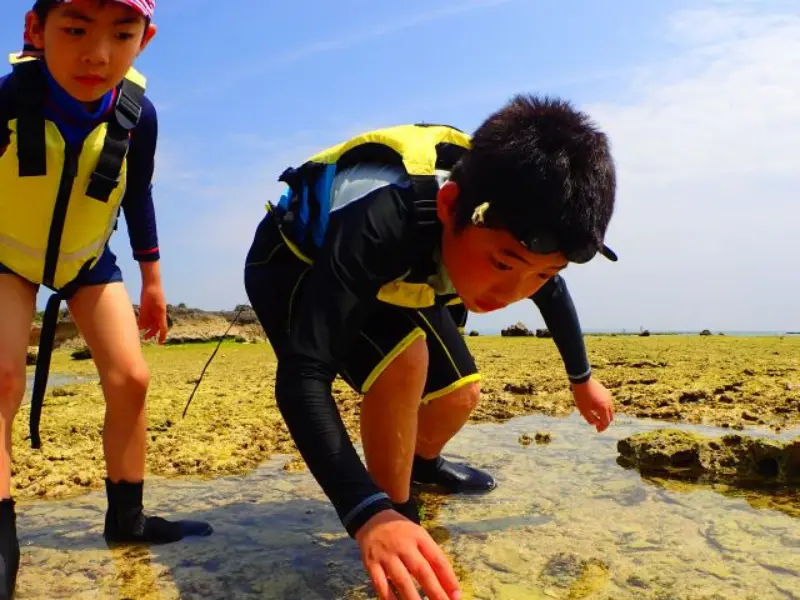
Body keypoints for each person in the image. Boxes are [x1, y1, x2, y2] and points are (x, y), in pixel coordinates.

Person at [244, 95, 618, 600]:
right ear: (449, 209)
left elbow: (549, 286)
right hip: (298, 262)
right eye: (504, 266)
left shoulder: (521, 228)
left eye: (542, 272)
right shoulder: (383, 218)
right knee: (404, 364)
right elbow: (302, 379)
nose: (512, 294)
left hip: (404, 268)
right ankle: (396, 512)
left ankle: (419, 466)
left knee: (459, 392)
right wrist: (367, 513)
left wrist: (582, 379)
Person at [0, 1, 212, 597]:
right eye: (74, 30)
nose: (98, 54)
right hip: (5, 254)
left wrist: (153, 280)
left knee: (131, 379)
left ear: (145, 39)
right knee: (3, 380)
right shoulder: (7, 99)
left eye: (122, 35)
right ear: (35, 30)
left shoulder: (137, 115)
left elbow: (137, 192)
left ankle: (127, 519)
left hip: (88, 258)